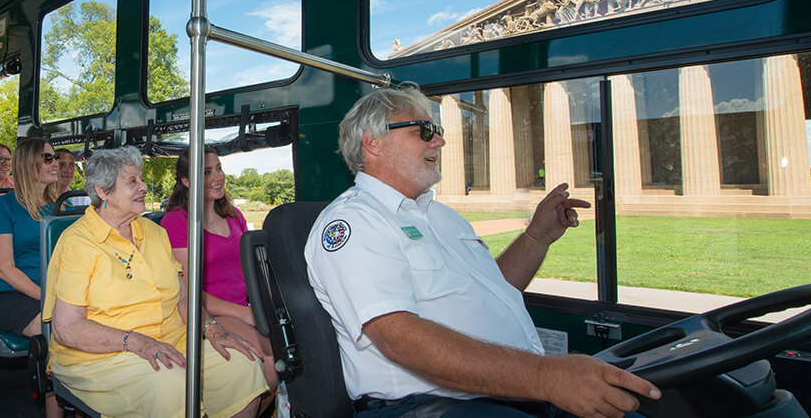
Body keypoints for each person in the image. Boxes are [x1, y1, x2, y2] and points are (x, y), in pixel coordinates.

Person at [305, 85, 659, 418]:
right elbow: (398, 338)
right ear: (374, 144)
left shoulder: (442, 216)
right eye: (424, 130)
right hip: (429, 407)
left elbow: (493, 288)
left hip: (509, 392)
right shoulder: (353, 222)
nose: (440, 140)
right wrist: (547, 377)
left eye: (437, 128)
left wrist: (536, 238)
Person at [45, 147, 266, 418]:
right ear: (103, 191)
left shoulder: (154, 232)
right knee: (172, 385)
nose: (144, 187)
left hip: (171, 339)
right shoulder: (77, 243)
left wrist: (212, 329)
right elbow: (67, 327)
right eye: (132, 181)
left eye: (141, 179)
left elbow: (183, 298)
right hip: (103, 355)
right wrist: (137, 342)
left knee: (241, 364)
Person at [162, 148, 278, 403]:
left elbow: (250, 271)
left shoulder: (235, 216)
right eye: (206, 172)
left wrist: (259, 307)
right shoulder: (176, 223)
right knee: (269, 359)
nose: (217, 177)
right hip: (209, 312)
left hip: (247, 307)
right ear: (187, 181)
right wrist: (246, 314)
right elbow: (188, 290)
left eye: (219, 168)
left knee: (285, 358)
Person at [0, 138, 62, 416]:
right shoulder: (4, 206)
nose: (56, 163)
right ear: (29, 164)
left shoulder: (60, 206)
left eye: (55, 158)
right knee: (58, 329)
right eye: (48, 158)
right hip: (6, 295)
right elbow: (4, 267)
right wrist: (49, 298)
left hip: (54, 293)